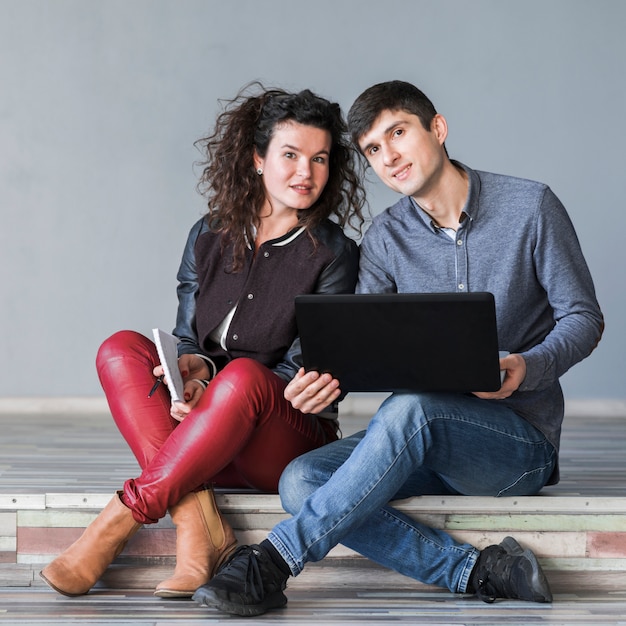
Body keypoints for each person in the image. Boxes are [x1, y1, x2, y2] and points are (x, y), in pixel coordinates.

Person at [193, 80, 604, 617]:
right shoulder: (386, 238)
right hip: (420, 441)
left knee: (411, 410)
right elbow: (360, 346)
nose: (389, 156)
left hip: (515, 445)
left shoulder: (531, 207)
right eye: (373, 150)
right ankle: (476, 571)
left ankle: (274, 560)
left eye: (398, 133)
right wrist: (319, 379)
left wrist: (528, 366)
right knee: (303, 479)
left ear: (437, 127)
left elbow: (584, 318)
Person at [39, 84, 366, 598]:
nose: (306, 172)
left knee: (242, 377)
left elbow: (299, 374)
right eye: (290, 155)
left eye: (320, 158)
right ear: (258, 160)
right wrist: (190, 374)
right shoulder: (208, 234)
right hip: (203, 432)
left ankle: (118, 522)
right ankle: (200, 522)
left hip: (283, 439)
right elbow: (190, 338)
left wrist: (216, 388)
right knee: (120, 348)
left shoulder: (333, 253)